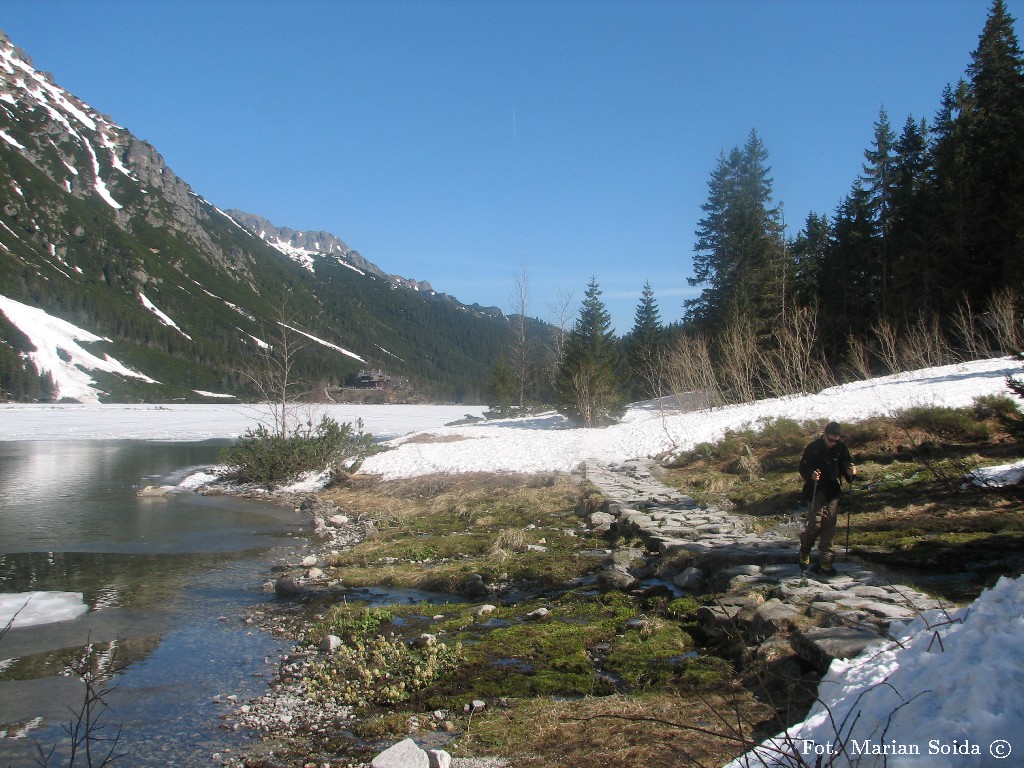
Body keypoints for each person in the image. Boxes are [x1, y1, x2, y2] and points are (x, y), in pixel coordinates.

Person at [798, 421, 856, 575]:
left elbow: (845, 466)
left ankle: (825, 562)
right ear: (824, 434)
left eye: (836, 440)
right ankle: (805, 549)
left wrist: (851, 472)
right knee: (815, 523)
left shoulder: (841, 449)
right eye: (831, 440)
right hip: (815, 490)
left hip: (832, 491)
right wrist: (811, 475)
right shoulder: (813, 448)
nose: (833, 443)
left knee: (829, 524)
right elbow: (803, 466)